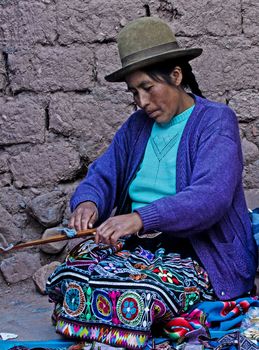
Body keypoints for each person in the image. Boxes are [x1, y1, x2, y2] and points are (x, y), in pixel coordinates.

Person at [46, 17, 258, 349]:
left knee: (138, 292)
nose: (142, 102)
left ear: (176, 76)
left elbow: (210, 197)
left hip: (197, 252)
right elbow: (104, 174)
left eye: (148, 87)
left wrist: (140, 218)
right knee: (71, 274)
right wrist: (88, 202)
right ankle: (118, 317)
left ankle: (116, 317)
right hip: (141, 248)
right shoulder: (136, 127)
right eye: (134, 92)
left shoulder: (216, 121)